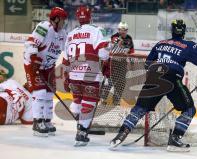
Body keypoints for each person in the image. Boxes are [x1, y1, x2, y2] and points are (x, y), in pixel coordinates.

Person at [110, 19, 197, 152]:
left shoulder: (160, 43)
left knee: (140, 107)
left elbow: (147, 64)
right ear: (184, 31)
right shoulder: (188, 45)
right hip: (172, 77)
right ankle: (175, 139)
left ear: (171, 30)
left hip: (153, 75)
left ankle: (121, 134)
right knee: (189, 109)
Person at [62, 5, 110, 146]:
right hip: (90, 72)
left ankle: (80, 124)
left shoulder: (71, 34)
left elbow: (65, 58)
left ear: (78, 17)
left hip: (73, 74)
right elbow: (103, 53)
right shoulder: (96, 30)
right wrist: (106, 61)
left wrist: (66, 75)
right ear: (90, 16)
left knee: (78, 100)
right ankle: (82, 131)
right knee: (89, 102)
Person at [23, 7, 67, 137]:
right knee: (40, 92)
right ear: (56, 19)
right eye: (63, 19)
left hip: (48, 66)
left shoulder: (63, 34)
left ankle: (47, 120)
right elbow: (30, 44)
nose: (64, 22)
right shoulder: (44, 27)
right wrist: (34, 60)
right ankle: (37, 122)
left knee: (49, 93)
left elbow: (68, 50)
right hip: (33, 64)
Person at [101, 21, 134, 105]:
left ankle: (116, 100)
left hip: (122, 63)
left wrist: (131, 62)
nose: (122, 32)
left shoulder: (129, 38)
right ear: (118, 30)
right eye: (120, 30)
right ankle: (103, 98)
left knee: (121, 82)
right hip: (113, 62)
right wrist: (119, 42)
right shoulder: (115, 37)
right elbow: (117, 43)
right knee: (110, 81)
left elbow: (131, 51)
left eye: (124, 30)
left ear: (127, 30)